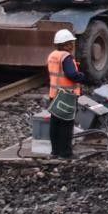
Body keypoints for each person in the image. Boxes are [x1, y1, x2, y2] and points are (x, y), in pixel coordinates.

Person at [45, 28, 84, 159]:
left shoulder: (52, 55)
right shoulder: (66, 57)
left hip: (54, 94)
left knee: (55, 124)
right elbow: (71, 74)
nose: (72, 45)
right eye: (71, 43)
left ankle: (55, 152)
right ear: (65, 44)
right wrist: (81, 76)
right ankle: (66, 153)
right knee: (66, 125)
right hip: (66, 96)